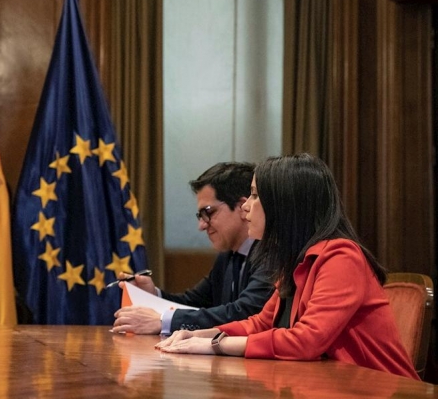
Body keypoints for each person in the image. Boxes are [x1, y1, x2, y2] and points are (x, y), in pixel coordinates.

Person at [155, 153, 419, 379]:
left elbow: (307, 341)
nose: (245, 206)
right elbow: (260, 323)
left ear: (285, 206)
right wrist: (202, 335)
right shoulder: (295, 260)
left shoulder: (341, 256)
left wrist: (216, 344)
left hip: (380, 389)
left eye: (255, 196)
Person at [112, 162, 274, 335]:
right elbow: (193, 303)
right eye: (200, 215)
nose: (202, 225)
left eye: (209, 212)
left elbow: (244, 312)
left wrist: (164, 321)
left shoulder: (272, 253)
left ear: (243, 207)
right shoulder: (226, 256)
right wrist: (153, 295)